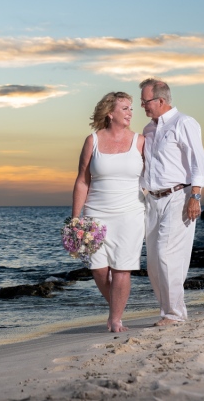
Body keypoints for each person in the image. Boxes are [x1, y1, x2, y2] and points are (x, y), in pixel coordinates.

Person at [72, 91, 146, 333]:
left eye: (131, 108)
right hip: (95, 213)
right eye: (124, 108)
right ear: (110, 113)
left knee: (122, 267)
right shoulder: (92, 140)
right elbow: (83, 180)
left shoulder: (140, 141)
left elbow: (154, 176)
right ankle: (117, 306)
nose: (130, 113)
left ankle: (115, 319)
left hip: (130, 213)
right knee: (98, 267)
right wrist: (76, 218)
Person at [138, 78, 204, 326]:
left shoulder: (184, 123)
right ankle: (167, 311)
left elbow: (198, 161)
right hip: (152, 201)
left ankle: (175, 315)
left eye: (145, 101)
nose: (142, 105)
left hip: (179, 197)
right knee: (153, 264)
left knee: (167, 256)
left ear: (160, 100)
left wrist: (195, 196)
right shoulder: (148, 130)